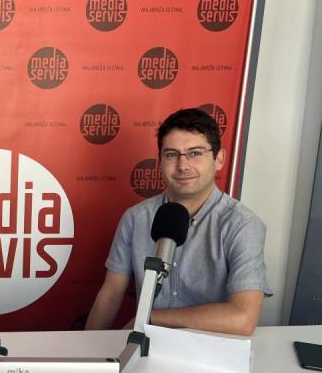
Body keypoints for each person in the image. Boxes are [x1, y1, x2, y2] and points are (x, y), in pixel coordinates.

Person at [85, 108, 271, 336]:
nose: (183, 165)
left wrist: (152, 318)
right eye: (172, 154)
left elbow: (242, 318)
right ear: (160, 161)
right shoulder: (136, 218)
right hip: (148, 347)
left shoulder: (243, 224)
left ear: (219, 159)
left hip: (213, 349)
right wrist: (87, 348)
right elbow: (111, 293)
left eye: (195, 153)